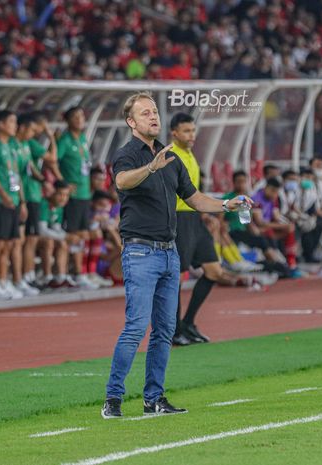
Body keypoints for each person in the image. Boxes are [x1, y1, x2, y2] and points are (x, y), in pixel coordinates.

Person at [102, 92, 251, 419]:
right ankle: (112, 399)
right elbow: (122, 181)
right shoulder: (127, 155)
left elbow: (195, 198)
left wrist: (227, 204)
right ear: (132, 122)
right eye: (145, 113)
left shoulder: (173, 157)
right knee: (136, 327)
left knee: (164, 331)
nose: (153, 117)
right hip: (140, 251)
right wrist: (150, 168)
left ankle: (153, 399)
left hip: (169, 252)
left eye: (154, 111)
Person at [170, 112, 226, 346]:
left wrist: (206, 213)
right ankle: (174, 331)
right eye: (186, 131)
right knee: (176, 278)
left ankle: (188, 322)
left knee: (214, 271)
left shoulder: (190, 155)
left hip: (194, 219)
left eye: (193, 130)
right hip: (178, 220)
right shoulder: (171, 156)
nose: (191, 135)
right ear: (174, 133)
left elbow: (193, 193)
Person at [0, 110, 28, 300]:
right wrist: (3, 195)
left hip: (14, 201)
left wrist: (22, 201)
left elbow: (16, 175)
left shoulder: (11, 146)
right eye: (11, 122)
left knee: (9, 244)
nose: (15, 126)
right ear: (1, 124)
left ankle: (3, 280)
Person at [56, 106, 100, 290]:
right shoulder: (65, 140)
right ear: (68, 120)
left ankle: (81, 272)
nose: (80, 119)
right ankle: (67, 274)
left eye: (82, 115)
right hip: (72, 195)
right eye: (76, 116)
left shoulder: (82, 138)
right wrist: (62, 183)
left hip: (84, 194)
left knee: (82, 234)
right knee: (72, 234)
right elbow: (52, 161)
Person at [18, 112, 58, 288]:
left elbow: (32, 168)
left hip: (32, 195)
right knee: (25, 239)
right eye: (39, 127)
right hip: (25, 196)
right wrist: (51, 137)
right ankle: (24, 276)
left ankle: (29, 275)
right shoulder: (25, 144)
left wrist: (43, 181)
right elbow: (52, 158)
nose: (37, 132)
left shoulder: (27, 144)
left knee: (31, 238)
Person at [38, 180, 77, 288]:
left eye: (66, 195)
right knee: (50, 242)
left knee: (63, 243)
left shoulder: (59, 207)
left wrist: (68, 237)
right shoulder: (44, 204)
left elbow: (57, 228)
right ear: (53, 193)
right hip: (35, 237)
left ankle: (61, 277)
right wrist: (64, 236)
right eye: (60, 194)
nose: (63, 198)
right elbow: (42, 230)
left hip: (46, 235)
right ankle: (47, 277)